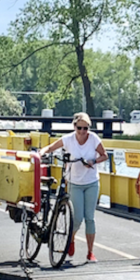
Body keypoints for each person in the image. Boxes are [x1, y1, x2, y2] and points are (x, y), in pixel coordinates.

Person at [39, 113, 108, 263]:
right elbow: (51, 147)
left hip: (91, 182)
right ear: (74, 126)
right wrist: (42, 152)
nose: (83, 131)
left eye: (86, 128)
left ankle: (90, 252)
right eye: (79, 128)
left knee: (89, 218)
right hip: (75, 183)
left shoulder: (94, 139)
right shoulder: (68, 139)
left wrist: (93, 161)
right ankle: (71, 238)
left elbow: (105, 155)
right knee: (77, 218)